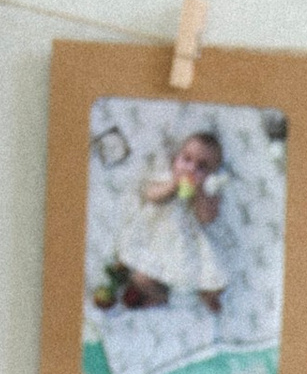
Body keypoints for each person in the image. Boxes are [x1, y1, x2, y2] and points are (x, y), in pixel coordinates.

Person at [95, 123, 226, 310]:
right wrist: (173, 186)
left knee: (216, 282)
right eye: (186, 159)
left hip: (185, 249)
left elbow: (207, 219)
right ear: (176, 158)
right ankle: (163, 298)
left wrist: (199, 195)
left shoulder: (208, 192)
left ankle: (204, 295)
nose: (191, 168)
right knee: (138, 277)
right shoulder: (166, 178)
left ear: (213, 175)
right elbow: (150, 195)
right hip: (155, 243)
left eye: (202, 167)